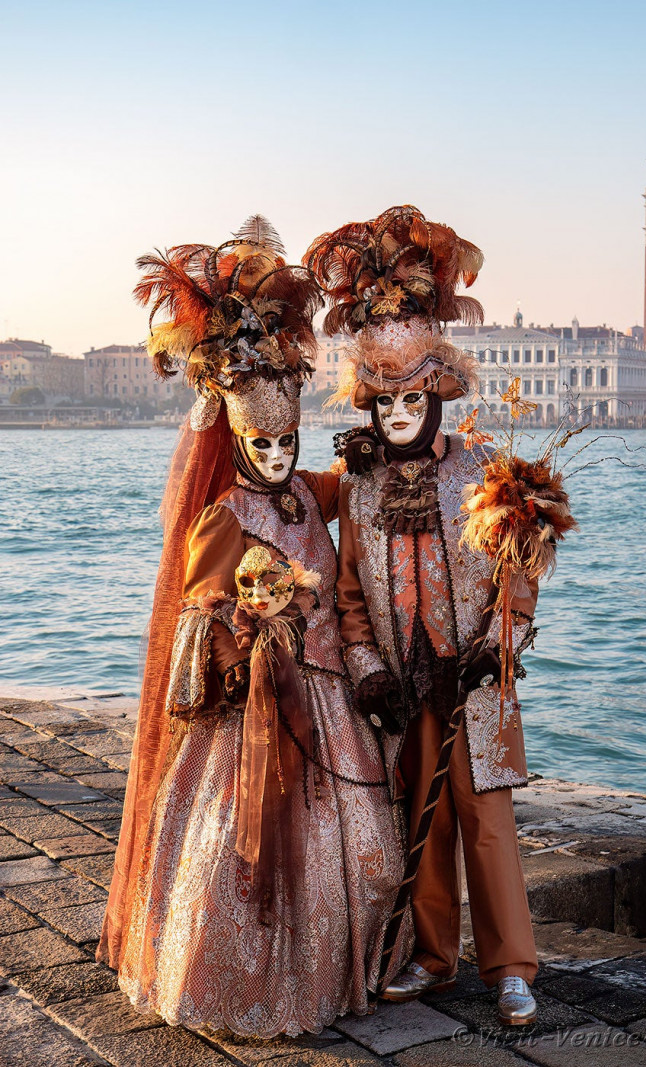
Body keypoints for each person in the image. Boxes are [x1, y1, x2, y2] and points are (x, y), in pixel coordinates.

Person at [98, 216, 410, 1038]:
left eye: (286, 443)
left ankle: (349, 966)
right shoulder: (224, 517)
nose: (276, 458)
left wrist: (375, 454)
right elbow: (200, 617)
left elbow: (355, 488)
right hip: (257, 711)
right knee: (245, 860)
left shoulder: (306, 490)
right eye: (262, 444)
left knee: (369, 852)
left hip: (330, 696)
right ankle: (248, 983)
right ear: (237, 437)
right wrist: (246, 639)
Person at [304, 205, 540, 1025]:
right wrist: (369, 670)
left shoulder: (483, 468)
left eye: (412, 401)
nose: (399, 416)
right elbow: (350, 595)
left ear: (437, 394)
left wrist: (495, 645)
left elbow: (520, 568)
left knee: (487, 818)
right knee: (423, 819)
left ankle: (511, 965)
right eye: (386, 405)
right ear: (369, 406)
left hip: (474, 677)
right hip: (406, 682)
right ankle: (435, 956)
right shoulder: (360, 484)